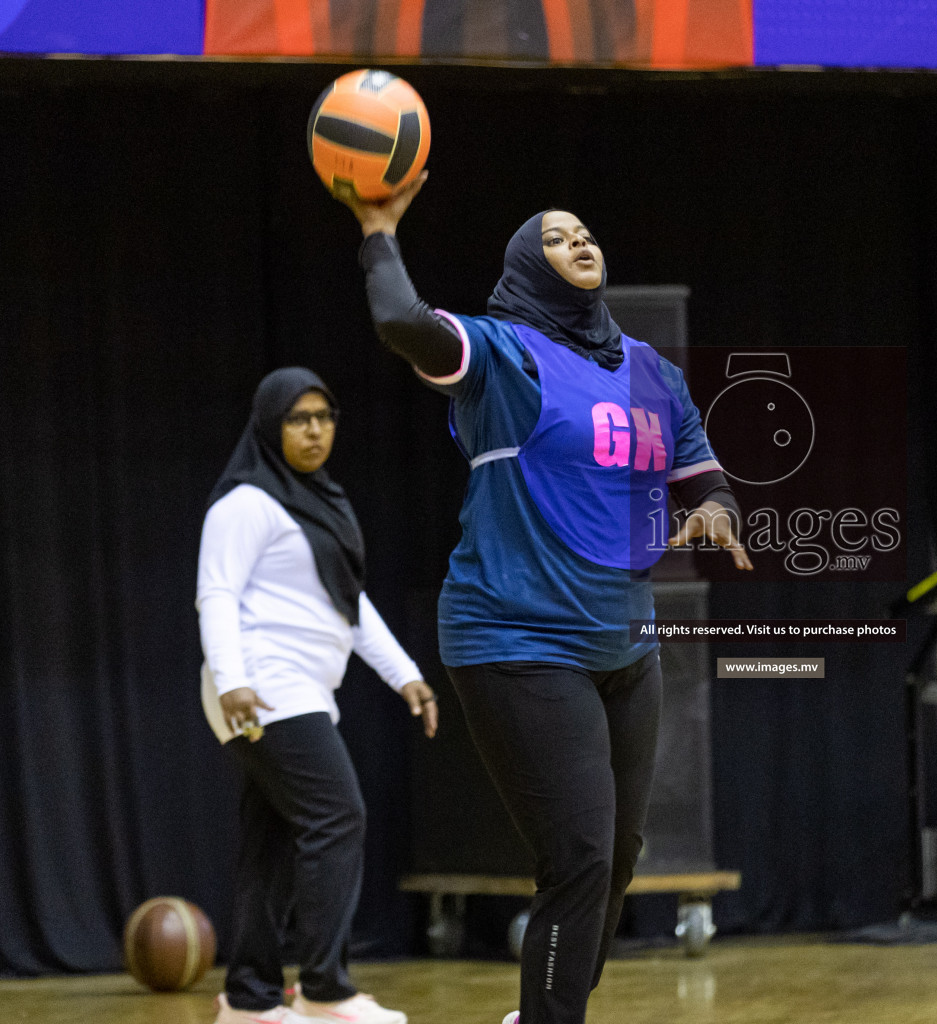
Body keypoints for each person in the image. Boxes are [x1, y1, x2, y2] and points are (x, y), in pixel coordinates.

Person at [336, 173, 752, 1024]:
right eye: (558, 237)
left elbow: (712, 481)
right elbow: (400, 324)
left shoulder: (652, 374)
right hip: (517, 638)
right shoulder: (502, 354)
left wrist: (713, 513)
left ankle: (542, 1012)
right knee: (579, 858)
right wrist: (379, 229)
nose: (581, 242)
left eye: (586, 232)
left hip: (625, 647)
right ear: (530, 264)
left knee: (618, 859)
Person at [197, 367, 438, 1024]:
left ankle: (248, 999)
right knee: (338, 816)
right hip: (261, 685)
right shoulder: (245, 503)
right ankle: (327, 989)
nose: (314, 430)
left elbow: (349, 605)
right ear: (270, 427)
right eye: (298, 419)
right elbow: (216, 593)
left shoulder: (321, 503)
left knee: (272, 843)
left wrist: (405, 674)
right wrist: (233, 678)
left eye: (323, 417)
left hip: (301, 689)